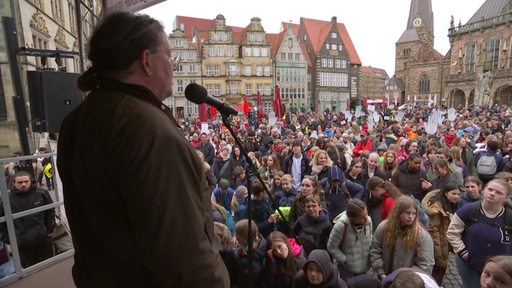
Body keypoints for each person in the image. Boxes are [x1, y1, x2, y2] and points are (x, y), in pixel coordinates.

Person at [57, 12, 229, 287]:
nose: (174, 66)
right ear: (146, 61)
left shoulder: (77, 120)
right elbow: (183, 254)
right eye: (170, 57)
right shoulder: (148, 130)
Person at [447, 179, 512, 288]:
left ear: (506, 197)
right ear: (484, 190)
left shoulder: (509, 217)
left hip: (500, 270)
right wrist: (464, 253)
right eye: (490, 189)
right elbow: (452, 233)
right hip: (469, 265)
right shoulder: (468, 210)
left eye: (498, 192)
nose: (492, 193)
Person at [370, 196, 435, 281]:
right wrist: (380, 272)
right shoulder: (384, 227)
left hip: (406, 283)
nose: (411, 217)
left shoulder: (422, 235)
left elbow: (425, 264)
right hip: (383, 277)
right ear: (398, 212)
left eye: (414, 213)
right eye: (407, 213)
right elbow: (375, 249)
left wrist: (404, 281)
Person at [0, 171, 55, 268]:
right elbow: (1, 222)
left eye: (26, 181)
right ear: (13, 183)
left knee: (50, 266)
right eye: (20, 182)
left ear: (31, 181)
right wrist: (9, 239)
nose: (24, 184)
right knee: (30, 271)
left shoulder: (41, 193)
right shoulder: (5, 199)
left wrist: (49, 230)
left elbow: (50, 212)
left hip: (43, 238)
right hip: (23, 244)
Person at [421, 184, 460, 285]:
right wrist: (438, 251)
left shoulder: (452, 205)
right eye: (453, 194)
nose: (456, 196)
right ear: (446, 193)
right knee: (436, 272)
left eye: (458, 194)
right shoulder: (437, 209)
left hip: (445, 245)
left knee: (440, 271)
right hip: (438, 246)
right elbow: (434, 230)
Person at [327, 199, 373, 281]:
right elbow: (331, 247)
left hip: (365, 267)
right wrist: (345, 260)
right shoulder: (341, 226)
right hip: (348, 270)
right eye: (362, 217)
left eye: (366, 214)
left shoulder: (368, 221)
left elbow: (370, 237)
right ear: (352, 218)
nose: (366, 218)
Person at [234, 219, 267, 288]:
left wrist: (239, 257)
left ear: (244, 238)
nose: (234, 235)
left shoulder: (252, 263)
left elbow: (245, 283)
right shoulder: (258, 239)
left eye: (236, 233)